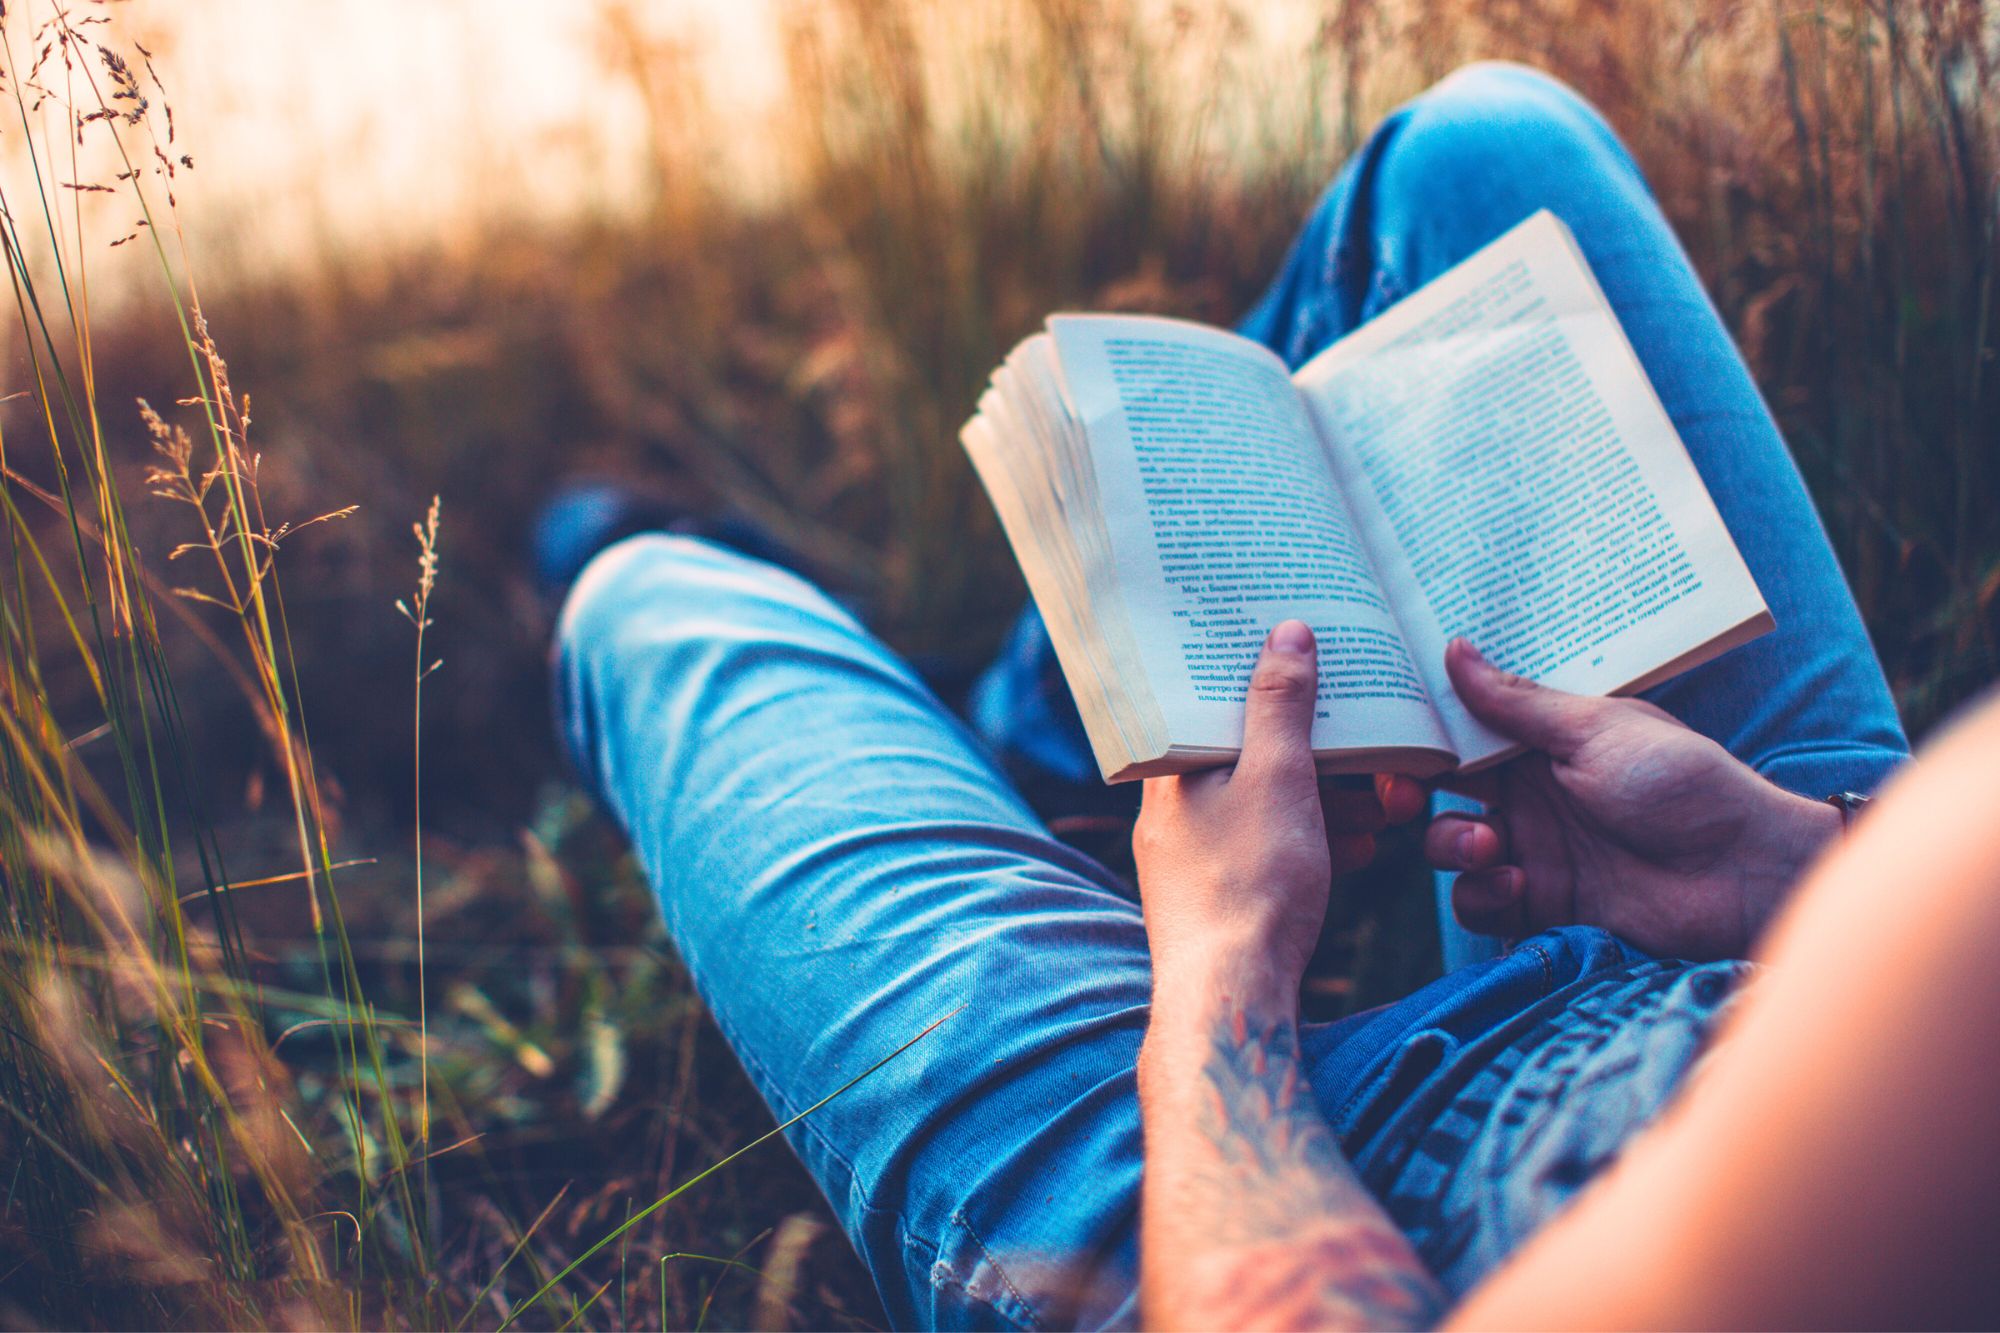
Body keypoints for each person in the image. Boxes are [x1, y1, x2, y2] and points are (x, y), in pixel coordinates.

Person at [547, 61, 1987, 1329]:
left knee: (663, 608)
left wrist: (1228, 962)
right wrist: (1785, 855)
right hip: (1757, 934)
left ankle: (702, 594)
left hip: (1279, 1209)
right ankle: (1035, 748)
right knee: (1477, 149)